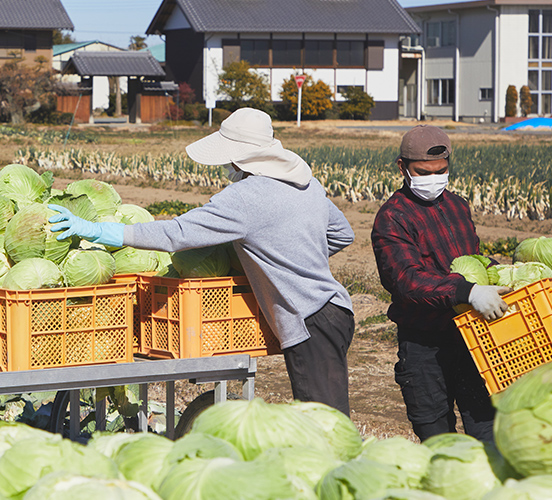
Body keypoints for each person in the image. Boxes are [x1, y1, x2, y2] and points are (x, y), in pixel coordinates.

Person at [48, 108, 356, 416]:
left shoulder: (245, 198)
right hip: (336, 310)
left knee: (325, 425)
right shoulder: (307, 185)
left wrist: (100, 231)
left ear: (239, 158)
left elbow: (177, 234)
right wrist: (292, 259)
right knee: (329, 415)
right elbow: (343, 234)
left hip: (308, 320)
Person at [371, 124, 508, 442]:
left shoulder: (458, 206)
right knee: (437, 435)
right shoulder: (393, 217)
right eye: (423, 171)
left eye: (441, 171)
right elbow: (405, 280)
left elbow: (471, 259)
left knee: (488, 428)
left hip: (472, 335)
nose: (433, 178)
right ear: (402, 167)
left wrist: (501, 273)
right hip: (424, 343)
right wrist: (467, 291)